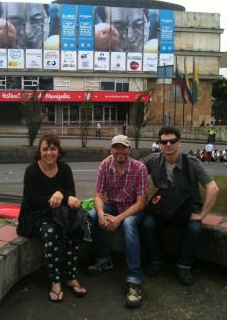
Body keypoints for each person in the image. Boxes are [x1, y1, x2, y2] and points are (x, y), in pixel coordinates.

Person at [142, 126, 219, 286]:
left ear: (179, 143)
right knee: (147, 223)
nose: (168, 144)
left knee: (195, 228)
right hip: (163, 207)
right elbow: (133, 168)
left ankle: (184, 265)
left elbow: (213, 188)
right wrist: (112, 158)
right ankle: (156, 259)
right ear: (160, 144)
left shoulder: (192, 163)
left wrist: (202, 215)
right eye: (164, 141)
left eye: (172, 141)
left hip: (187, 208)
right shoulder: (153, 160)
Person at [17, 134, 87, 302]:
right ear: (39, 151)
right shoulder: (32, 170)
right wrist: (59, 197)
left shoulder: (65, 169)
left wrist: (61, 193)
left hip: (57, 215)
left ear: (58, 151)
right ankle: (55, 280)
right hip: (35, 216)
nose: (49, 153)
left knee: (75, 227)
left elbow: (71, 194)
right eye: (45, 149)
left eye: (53, 149)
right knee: (51, 231)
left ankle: (70, 275)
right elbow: (34, 201)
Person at [87, 135, 148, 308]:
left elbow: (141, 202)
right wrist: (101, 214)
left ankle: (134, 280)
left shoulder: (139, 168)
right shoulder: (105, 166)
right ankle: (102, 259)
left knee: (128, 224)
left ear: (129, 149)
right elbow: (98, 195)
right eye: (116, 147)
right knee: (90, 216)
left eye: (123, 147)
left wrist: (119, 219)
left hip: (133, 209)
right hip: (113, 205)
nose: (120, 151)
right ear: (111, 149)